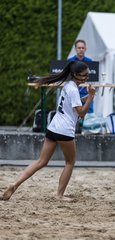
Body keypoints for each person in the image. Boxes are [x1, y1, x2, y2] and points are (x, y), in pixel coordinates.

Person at [1, 61, 95, 202]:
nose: (87, 77)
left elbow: (72, 104)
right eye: (85, 75)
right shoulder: (74, 89)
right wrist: (91, 97)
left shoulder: (68, 85)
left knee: (41, 161)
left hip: (53, 127)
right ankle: (59, 195)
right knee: (70, 162)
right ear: (75, 75)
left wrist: (87, 96)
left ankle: (15, 184)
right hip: (65, 130)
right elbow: (81, 113)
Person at [68, 39, 94, 114]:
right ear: (75, 49)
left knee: (89, 116)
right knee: (72, 114)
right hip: (73, 92)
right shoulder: (70, 61)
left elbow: (92, 78)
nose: (81, 50)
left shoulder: (90, 61)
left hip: (86, 92)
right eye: (79, 48)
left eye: (83, 48)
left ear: (85, 49)